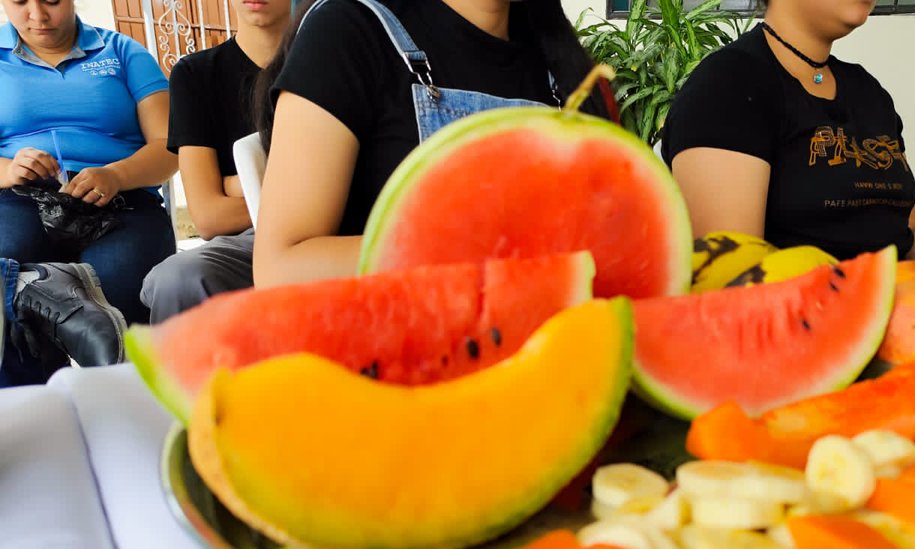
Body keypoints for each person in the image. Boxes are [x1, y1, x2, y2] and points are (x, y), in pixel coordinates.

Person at [251, 0, 609, 288]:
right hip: (400, 363)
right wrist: (476, 252)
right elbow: (281, 267)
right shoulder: (347, 31)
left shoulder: (562, 68)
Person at [661, 0, 915, 263]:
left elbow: (912, 235)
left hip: (905, 308)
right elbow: (732, 278)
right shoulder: (726, 87)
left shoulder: (868, 92)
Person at [0, 0, 177, 385]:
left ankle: (125, 406)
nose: (38, 15)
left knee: (120, 285)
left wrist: (116, 174)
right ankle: (35, 406)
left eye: (51, 1)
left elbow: (169, 145)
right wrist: (10, 169)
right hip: (20, 196)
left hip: (122, 198)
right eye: (19, 2)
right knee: (8, 277)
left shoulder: (123, 51)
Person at [139, 0, 290, 323]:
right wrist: (297, 187)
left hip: (329, 233)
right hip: (246, 241)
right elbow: (208, 216)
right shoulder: (196, 74)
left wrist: (238, 183)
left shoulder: (329, 62)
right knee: (176, 278)